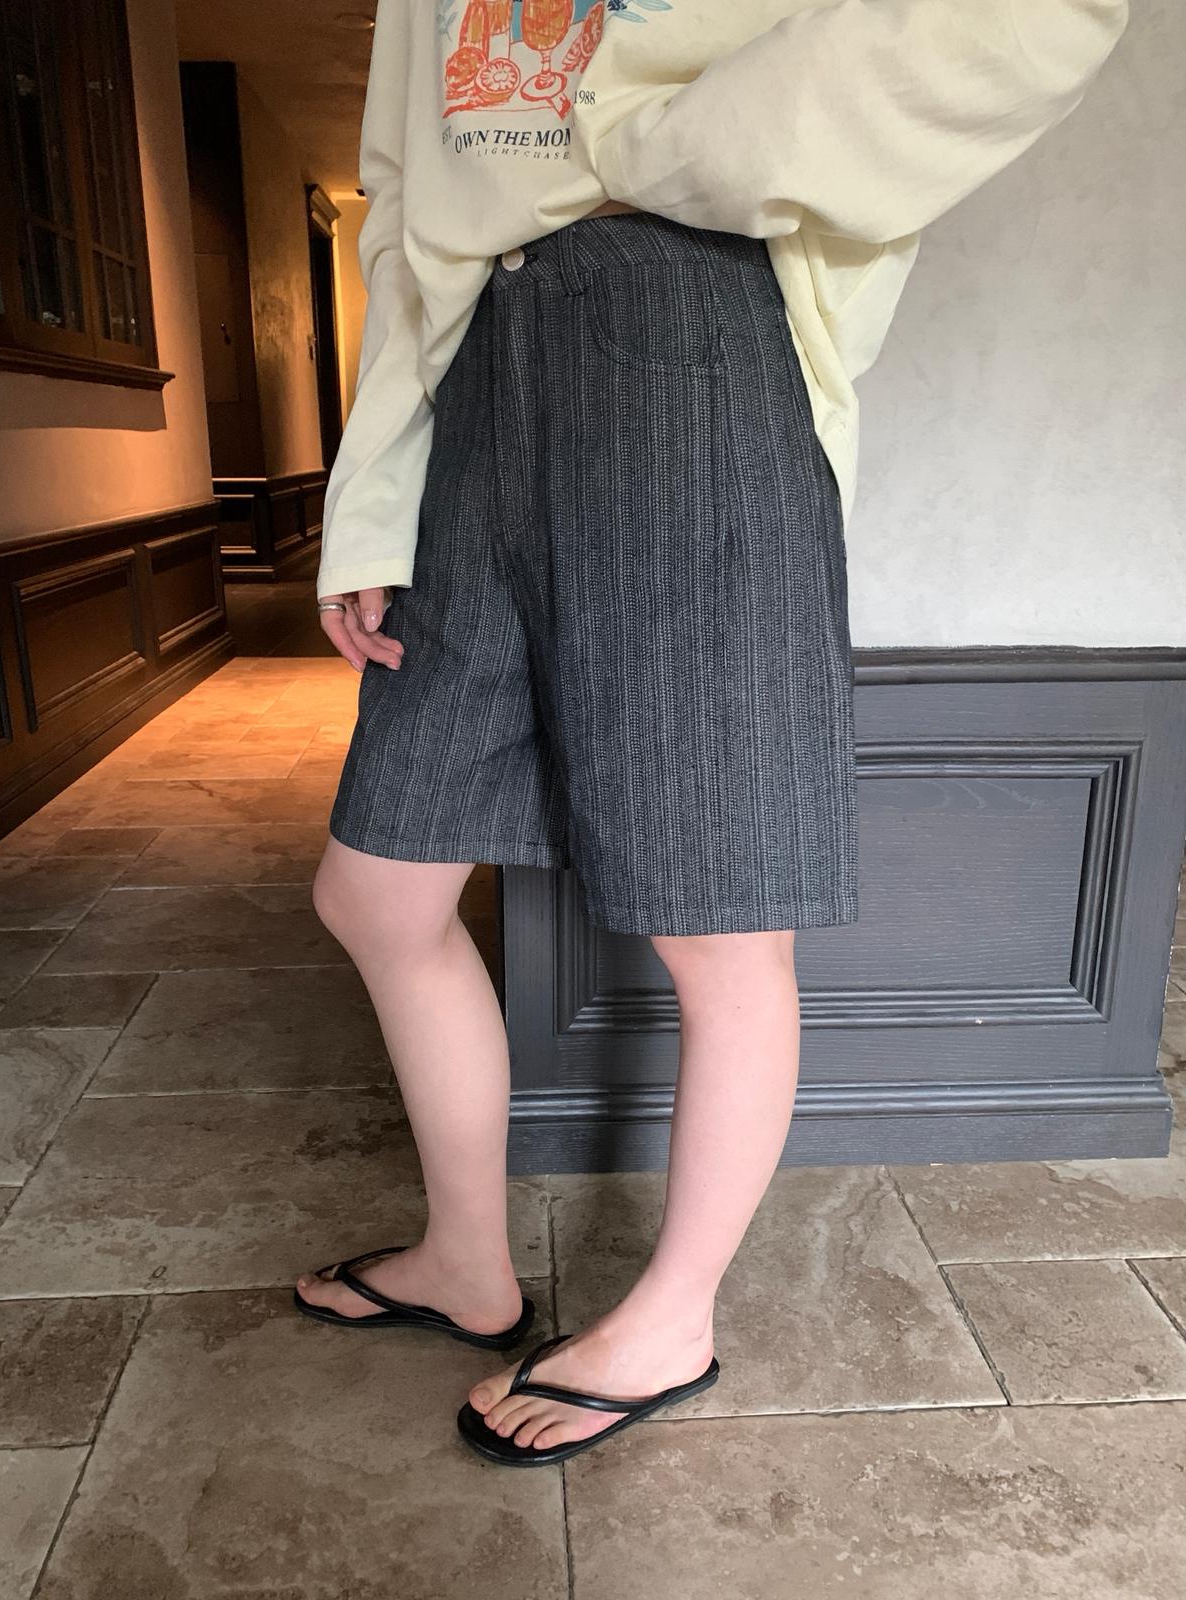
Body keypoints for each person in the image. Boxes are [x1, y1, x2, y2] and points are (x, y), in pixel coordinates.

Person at [295, 0, 1129, 1467]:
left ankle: (674, 1316)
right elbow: (403, 200)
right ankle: (467, 1258)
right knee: (377, 888)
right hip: (474, 378)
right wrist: (368, 505)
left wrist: (667, 148)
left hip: (696, 337)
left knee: (723, 927)